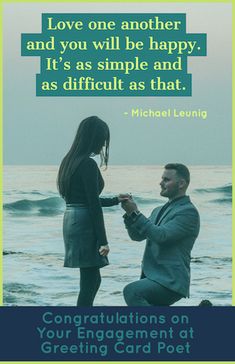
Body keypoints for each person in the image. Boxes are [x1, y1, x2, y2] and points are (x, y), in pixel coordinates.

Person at [57, 116, 127, 306]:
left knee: (89, 279)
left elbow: (83, 199)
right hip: (85, 222)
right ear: (93, 138)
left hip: (72, 219)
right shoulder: (87, 164)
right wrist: (103, 241)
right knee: (91, 281)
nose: (103, 144)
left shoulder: (68, 161)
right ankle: (81, 324)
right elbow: (93, 206)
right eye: (102, 139)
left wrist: (115, 200)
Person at [121, 163, 200, 306]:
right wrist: (129, 214)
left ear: (181, 183)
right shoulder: (158, 210)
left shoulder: (188, 212)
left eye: (166, 180)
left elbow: (161, 236)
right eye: (162, 178)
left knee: (132, 292)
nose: (160, 183)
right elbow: (137, 236)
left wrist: (135, 213)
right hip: (154, 277)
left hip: (171, 280)